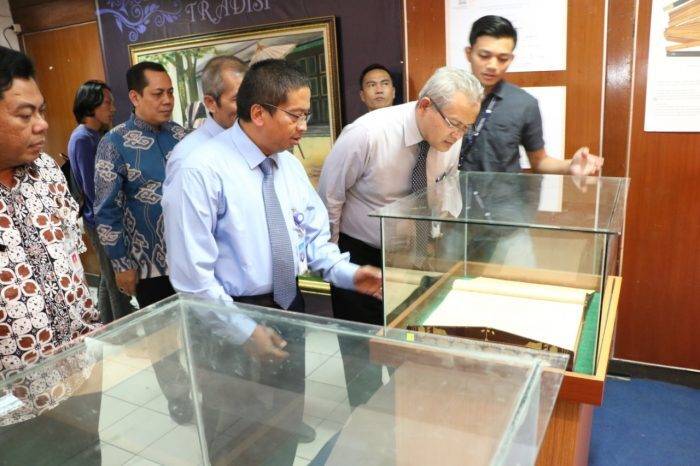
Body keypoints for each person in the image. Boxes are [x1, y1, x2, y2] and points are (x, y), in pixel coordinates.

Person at [162, 59, 382, 465]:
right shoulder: (200, 170)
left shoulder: (289, 166)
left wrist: (351, 275)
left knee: (284, 425)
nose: (303, 126)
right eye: (295, 116)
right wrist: (244, 330)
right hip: (228, 320)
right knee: (236, 441)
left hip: (287, 309)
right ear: (259, 113)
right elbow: (193, 279)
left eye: (306, 115)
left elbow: (313, 241)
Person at [317, 67, 483, 406]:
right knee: (361, 352)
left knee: (408, 350)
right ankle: (365, 417)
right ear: (424, 106)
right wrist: (334, 263)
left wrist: (435, 237)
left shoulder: (450, 138)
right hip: (361, 254)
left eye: (467, 127)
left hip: (413, 257)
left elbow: (445, 187)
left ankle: (404, 416)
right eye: (454, 124)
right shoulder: (366, 134)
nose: (458, 135)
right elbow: (330, 198)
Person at [0, 46, 102, 463]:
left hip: (79, 375)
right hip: (12, 408)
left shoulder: (45, 172)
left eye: (40, 111)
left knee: (88, 456)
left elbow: (73, 259)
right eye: (25, 115)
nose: (42, 124)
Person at [94, 61, 192, 423]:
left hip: (193, 258)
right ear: (135, 97)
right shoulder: (114, 143)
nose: (167, 100)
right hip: (149, 262)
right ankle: (178, 397)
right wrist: (121, 263)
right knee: (162, 337)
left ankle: (209, 387)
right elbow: (106, 210)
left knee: (199, 328)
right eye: (158, 93)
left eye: (170, 92)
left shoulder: (183, 137)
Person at [460, 15, 603, 175]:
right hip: (456, 191)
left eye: (503, 59)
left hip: (506, 191)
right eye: (484, 56)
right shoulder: (449, 98)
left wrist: (570, 166)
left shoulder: (524, 104)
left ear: (511, 59)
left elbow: (540, 161)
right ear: (469, 53)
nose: (493, 65)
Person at [68, 79, 135, 324]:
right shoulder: (83, 138)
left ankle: (107, 324)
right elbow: (94, 189)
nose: (113, 108)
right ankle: (125, 331)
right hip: (100, 221)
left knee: (108, 277)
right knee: (117, 281)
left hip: (103, 219)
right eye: (107, 103)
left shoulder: (94, 135)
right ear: (91, 105)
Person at [165, 55, 247, 184]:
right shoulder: (187, 156)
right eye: (237, 99)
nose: (249, 106)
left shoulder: (258, 141)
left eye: (252, 96)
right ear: (210, 103)